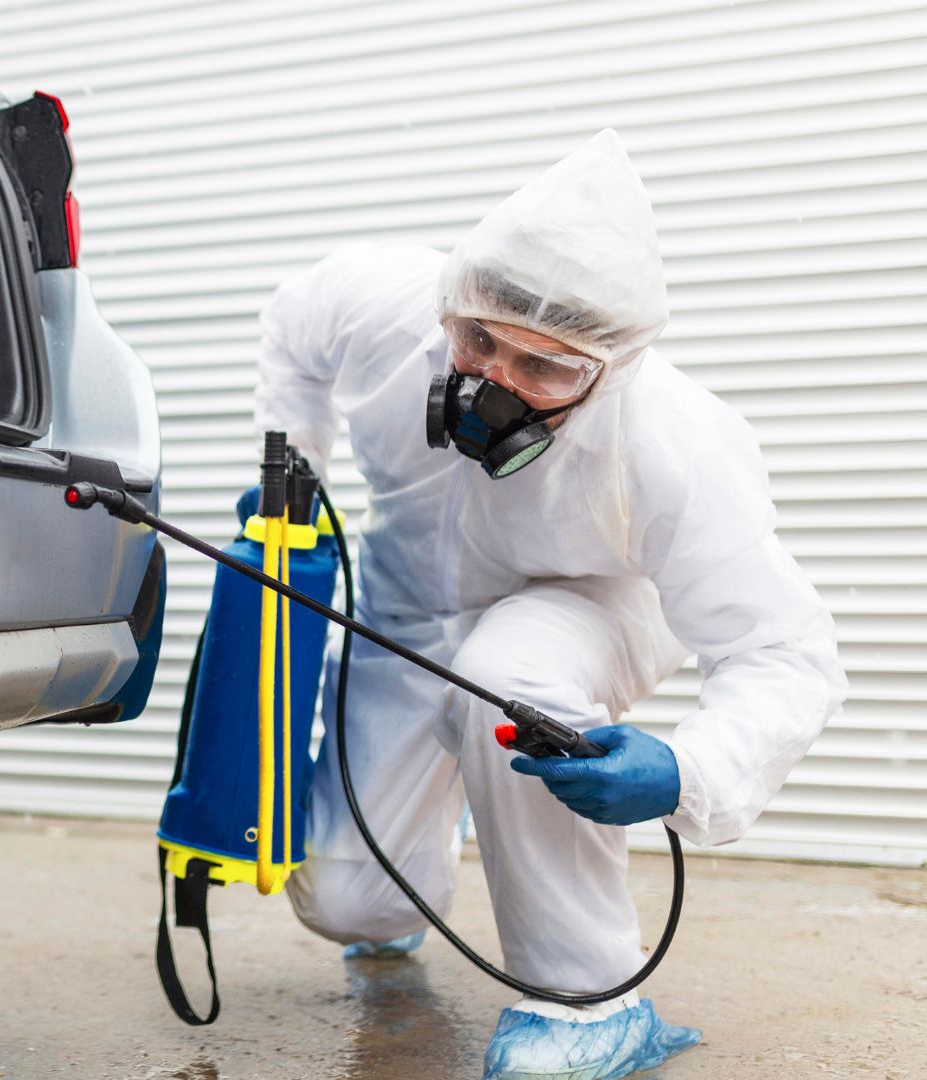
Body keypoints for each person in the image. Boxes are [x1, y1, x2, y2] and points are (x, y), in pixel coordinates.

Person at [252, 129, 847, 1079]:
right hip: (406, 606)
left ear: (608, 368)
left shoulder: (670, 442)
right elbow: (292, 327)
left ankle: (588, 1000)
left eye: (547, 368)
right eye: (480, 341)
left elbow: (784, 651)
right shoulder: (378, 306)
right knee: (348, 904)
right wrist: (295, 463)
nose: (494, 384)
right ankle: (443, 805)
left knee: (502, 683)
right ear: (453, 303)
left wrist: (689, 770)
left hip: (587, 601)